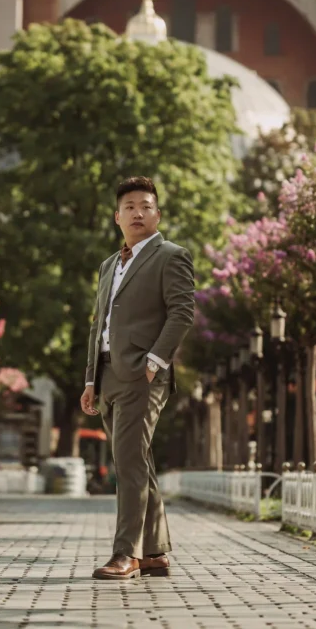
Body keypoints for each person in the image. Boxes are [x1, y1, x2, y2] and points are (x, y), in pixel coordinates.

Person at [81, 177, 195, 580]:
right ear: (118, 217)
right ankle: (155, 552)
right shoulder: (108, 265)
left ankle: (125, 553)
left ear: (157, 214)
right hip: (109, 375)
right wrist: (91, 379)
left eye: (146, 206)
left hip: (145, 376)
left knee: (128, 462)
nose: (138, 213)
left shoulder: (171, 256)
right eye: (130, 206)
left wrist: (154, 362)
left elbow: (182, 312)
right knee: (136, 462)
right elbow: (101, 325)